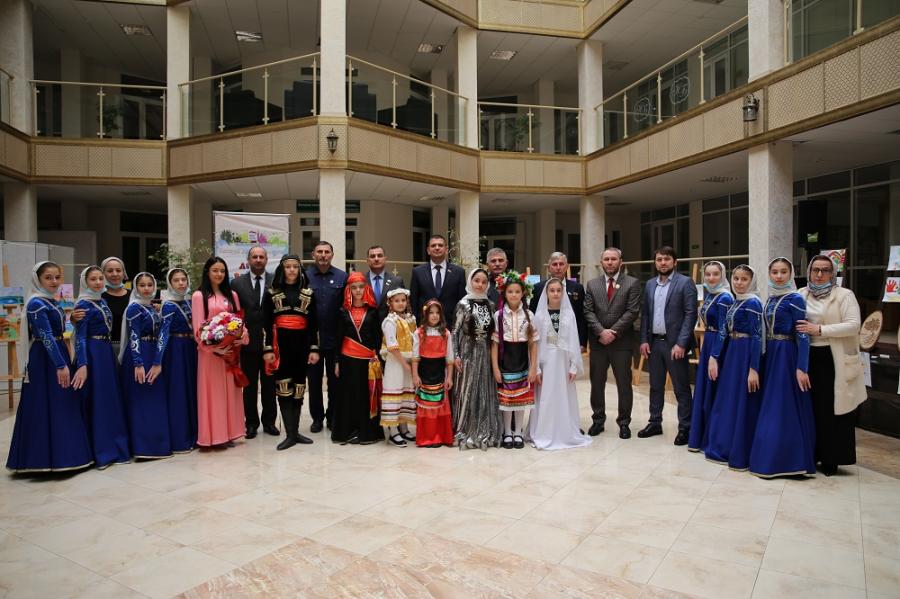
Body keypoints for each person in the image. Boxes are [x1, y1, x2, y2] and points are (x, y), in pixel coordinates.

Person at [7, 262, 94, 473]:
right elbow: (45, 335)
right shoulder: (36, 303)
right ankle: (41, 460)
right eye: (48, 277)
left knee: (62, 404)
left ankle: (66, 456)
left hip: (57, 352)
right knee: (44, 404)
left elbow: (58, 330)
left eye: (57, 277)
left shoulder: (50, 301)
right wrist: (60, 365)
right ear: (38, 279)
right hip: (46, 358)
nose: (54, 281)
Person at [797, 255, 866, 476]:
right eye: (815, 270)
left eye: (825, 270)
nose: (819, 275)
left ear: (833, 273)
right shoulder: (801, 294)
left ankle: (831, 459)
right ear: (809, 272)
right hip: (807, 356)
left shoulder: (844, 295)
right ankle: (811, 454)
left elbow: (854, 325)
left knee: (832, 409)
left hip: (832, 358)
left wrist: (820, 330)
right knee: (811, 407)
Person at [749, 258, 815, 478]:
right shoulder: (770, 299)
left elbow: (803, 335)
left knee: (782, 404)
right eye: (775, 272)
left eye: (783, 272)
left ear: (791, 274)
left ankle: (789, 460)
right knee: (771, 403)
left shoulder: (795, 299)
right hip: (771, 355)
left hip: (786, 354)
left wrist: (801, 367)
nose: (779, 276)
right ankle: (769, 456)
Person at [704, 265, 763, 470]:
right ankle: (724, 444)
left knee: (740, 400)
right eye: (736, 278)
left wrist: (754, 368)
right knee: (728, 399)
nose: (739, 283)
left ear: (752, 281)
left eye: (744, 279)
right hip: (733, 352)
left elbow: (757, 336)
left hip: (745, 353)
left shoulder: (753, 302)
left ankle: (738, 450)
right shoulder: (738, 300)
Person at [72, 265, 131, 468]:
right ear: (85, 282)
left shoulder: (102, 301)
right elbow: (80, 337)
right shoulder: (83, 304)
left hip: (105, 353)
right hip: (92, 354)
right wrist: (82, 364)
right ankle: (100, 451)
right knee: (97, 401)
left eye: (99, 279)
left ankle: (114, 447)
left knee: (109, 400)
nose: (98, 282)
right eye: (93, 279)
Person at [638, 246, 698, 444]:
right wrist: (644, 340)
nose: (663, 263)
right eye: (659, 259)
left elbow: (691, 314)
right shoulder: (649, 284)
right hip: (654, 343)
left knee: (681, 388)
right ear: (655, 263)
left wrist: (682, 343)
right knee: (655, 386)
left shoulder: (685, 283)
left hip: (675, 346)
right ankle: (655, 422)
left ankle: (685, 428)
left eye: (666, 259)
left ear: (675, 261)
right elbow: (645, 314)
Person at [262, 254, 319, 450]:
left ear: (300, 269)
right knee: (284, 388)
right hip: (281, 346)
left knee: (299, 388)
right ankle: (290, 434)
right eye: (288, 267)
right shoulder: (272, 293)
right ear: (282, 269)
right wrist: (268, 348)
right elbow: (266, 323)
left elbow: (314, 324)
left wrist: (314, 348)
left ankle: (295, 433)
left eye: (295, 266)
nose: (292, 270)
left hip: (302, 345)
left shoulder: (308, 293)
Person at [529, 278, 592, 450]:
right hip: (545, 363)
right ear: (546, 293)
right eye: (552, 290)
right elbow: (535, 344)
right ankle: (544, 432)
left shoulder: (569, 315)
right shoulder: (539, 316)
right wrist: (536, 368)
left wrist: (574, 366)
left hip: (563, 363)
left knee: (564, 396)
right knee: (546, 398)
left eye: (559, 290)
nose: (556, 293)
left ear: (563, 293)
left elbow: (573, 340)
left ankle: (565, 431)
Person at [584, 248, 640, 439]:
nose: (610, 262)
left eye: (613, 259)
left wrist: (613, 332)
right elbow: (588, 311)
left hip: (621, 343)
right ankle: (598, 421)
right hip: (598, 343)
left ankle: (624, 423)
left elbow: (632, 311)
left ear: (620, 262)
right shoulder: (592, 284)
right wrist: (601, 331)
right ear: (601, 263)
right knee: (597, 384)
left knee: (624, 384)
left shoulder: (632, 283)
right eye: (606, 259)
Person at [192, 257, 248, 449]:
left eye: (222, 271)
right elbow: (198, 328)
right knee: (213, 394)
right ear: (207, 272)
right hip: (210, 356)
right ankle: (215, 436)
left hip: (231, 353)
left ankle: (231, 433)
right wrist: (214, 347)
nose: (219, 274)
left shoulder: (232, 295)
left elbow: (239, 321)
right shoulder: (199, 296)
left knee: (231, 393)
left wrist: (242, 336)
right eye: (215, 270)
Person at [120, 272, 171, 460]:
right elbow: (133, 335)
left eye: (150, 285)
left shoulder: (151, 307)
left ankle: (157, 445)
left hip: (153, 355)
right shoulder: (134, 308)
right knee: (140, 401)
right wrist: (138, 363)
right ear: (136, 288)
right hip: (140, 356)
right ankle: (142, 447)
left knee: (154, 401)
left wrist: (157, 361)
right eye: (142, 285)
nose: (147, 288)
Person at [330, 272, 384, 445]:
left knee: (366, 395)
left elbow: (377, 337)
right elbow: (338, 338)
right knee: (348, 395)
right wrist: (336, 361)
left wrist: (378, 357)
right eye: (354, 288)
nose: (358, 291)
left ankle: (368, 432)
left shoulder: (373, 311)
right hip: (347, 359)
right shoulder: (342, 311)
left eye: (361, 287)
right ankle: (348, 432)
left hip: (368, 360)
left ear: (366, 288)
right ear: (349, 290)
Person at [232, 246, 278, 440]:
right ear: (248, 260)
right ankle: (251, 423)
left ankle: (269, 422)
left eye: (261, 257)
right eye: (254, 257)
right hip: (247, 343)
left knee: (269, 385)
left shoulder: (276, 281)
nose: (258, 260)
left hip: (270, 344)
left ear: (266, 260)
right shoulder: (236, 283)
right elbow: (233, 312)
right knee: (249, 386)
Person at [687, 261, 734, 453]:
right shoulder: (711, 295)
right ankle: (702, 436)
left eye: (715, 274)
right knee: (706, 389)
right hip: (709, 342)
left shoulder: (725, 297)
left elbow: (724, 329)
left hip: (719, 347)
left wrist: (715, 356)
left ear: (722, 276)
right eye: (708, 274)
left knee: (715, 389)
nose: (711, 278)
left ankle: (714, 438)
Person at [453, 268, 501, 449]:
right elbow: (455, 331)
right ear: (470, 281)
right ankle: (465, 429)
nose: (480, 285)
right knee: (468, 389)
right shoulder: (463, 304)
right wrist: (456, 355)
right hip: (468, 352)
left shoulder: (491, 305)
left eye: (484, 282)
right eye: (476, 280)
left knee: (484, 389)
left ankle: (485, 428)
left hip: (486, 353)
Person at [491, 273, 538, 450]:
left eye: (517, 291)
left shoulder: (529, 315)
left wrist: (533, 368)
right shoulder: (498, 315)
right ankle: (507, 432)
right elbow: (494, 345)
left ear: (523, 293)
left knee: (521, 399)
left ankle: (518, 431)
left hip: (522, 360)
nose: (514, 295)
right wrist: (495, 368)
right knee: (506, 401)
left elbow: (533, 344)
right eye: (510, 291)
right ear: (504, 293)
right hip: (505, 360)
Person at [306, 241, 347, 433]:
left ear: (332, 254)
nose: (323, 255)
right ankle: (317, 418)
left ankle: (333, 417)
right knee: (314, 382)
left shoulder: (342, 276)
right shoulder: (304, 277)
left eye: (327, 252)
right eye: (319, 252)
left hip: (335, 339)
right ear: (313, 255)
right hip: (312, 340)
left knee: (335, 382)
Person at [158, 268, 198, 454]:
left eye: (184, 279)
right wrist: (158, 361)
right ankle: (180, 438)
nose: (181, 283)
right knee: (179, 392)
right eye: (176, 280)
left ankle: (195, 434)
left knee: (191, 390)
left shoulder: (189, 302)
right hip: (175, 351)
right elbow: (163, 334)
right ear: (170, 283)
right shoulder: (168, 305)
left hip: (190, 349)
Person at [411, 300, 455, 448]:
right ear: (426, 314)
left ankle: (441, 437)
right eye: (431, 313)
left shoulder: (446, 333)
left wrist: (449, 377)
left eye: (437, 313)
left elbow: (449, 358)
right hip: (424, 374)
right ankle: (427, 438)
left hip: (440, 374)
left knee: (440, 406)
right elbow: (415, 357)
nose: (434, 316)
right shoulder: (419, 333)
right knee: (426, 406)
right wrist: (415, 375)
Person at [380, 288, 418, 446]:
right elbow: (392, 346)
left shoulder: (410, 319)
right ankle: (393, 431)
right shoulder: (390, 321)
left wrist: (412, 364)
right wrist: (404, 364)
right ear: (390, 303)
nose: (400, 303)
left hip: (408, 363)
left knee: (405, 393)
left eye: (403, 300)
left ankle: (403, 427)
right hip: (396, 362)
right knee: (395, 392)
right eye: (396, 301)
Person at [529, 252, 587, 350]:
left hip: (570, 340)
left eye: (561, 264)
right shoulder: (538, 288)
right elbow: (532, 314)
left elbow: (581, 316)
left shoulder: (577, 288)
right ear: (549, 268)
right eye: (555, 264)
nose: (558, 267)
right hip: (544, 341)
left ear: (567, 267)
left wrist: (582, 342)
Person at [410, 234, 466, 327]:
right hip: (425, 326)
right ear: (428, 250)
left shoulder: (458, 272)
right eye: (433, 245)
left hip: (451, 325)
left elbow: (462, 301)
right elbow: (414, 301)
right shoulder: (417, 272)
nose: (437, 248)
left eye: (440, 245)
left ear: (446, 249)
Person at [366, 245, 405, 323]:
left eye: (379, 256)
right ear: (367, 260)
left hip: (391, 326)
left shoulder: (396, 281)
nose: (376, 259)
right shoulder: (361, 281)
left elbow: (404, 306)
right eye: (372, 256)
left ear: (385, 259)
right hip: (366, 327)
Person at [101, 257, 130, 357]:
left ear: (123, 273)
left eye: (118, 270)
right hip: (104, 348)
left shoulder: (134, 296)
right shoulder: (97, 297)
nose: (114, 274)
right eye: (110, 271)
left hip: (129, 348)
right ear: (103, 274)